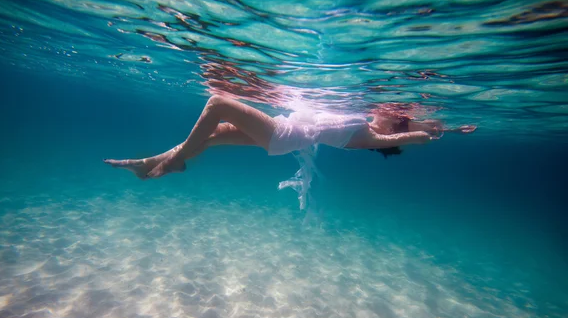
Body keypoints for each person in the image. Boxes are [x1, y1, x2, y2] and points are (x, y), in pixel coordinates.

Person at [104, 95, 476, 179]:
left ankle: (175, 160)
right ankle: (147, 163)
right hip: (283, 129)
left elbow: (421, 138)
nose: (389, 110)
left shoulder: (370, 138)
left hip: (283, 134)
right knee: (215, 134)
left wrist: (443, 130)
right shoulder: (363, 119)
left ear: (397, 129)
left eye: (397, 118)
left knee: (217, 103)